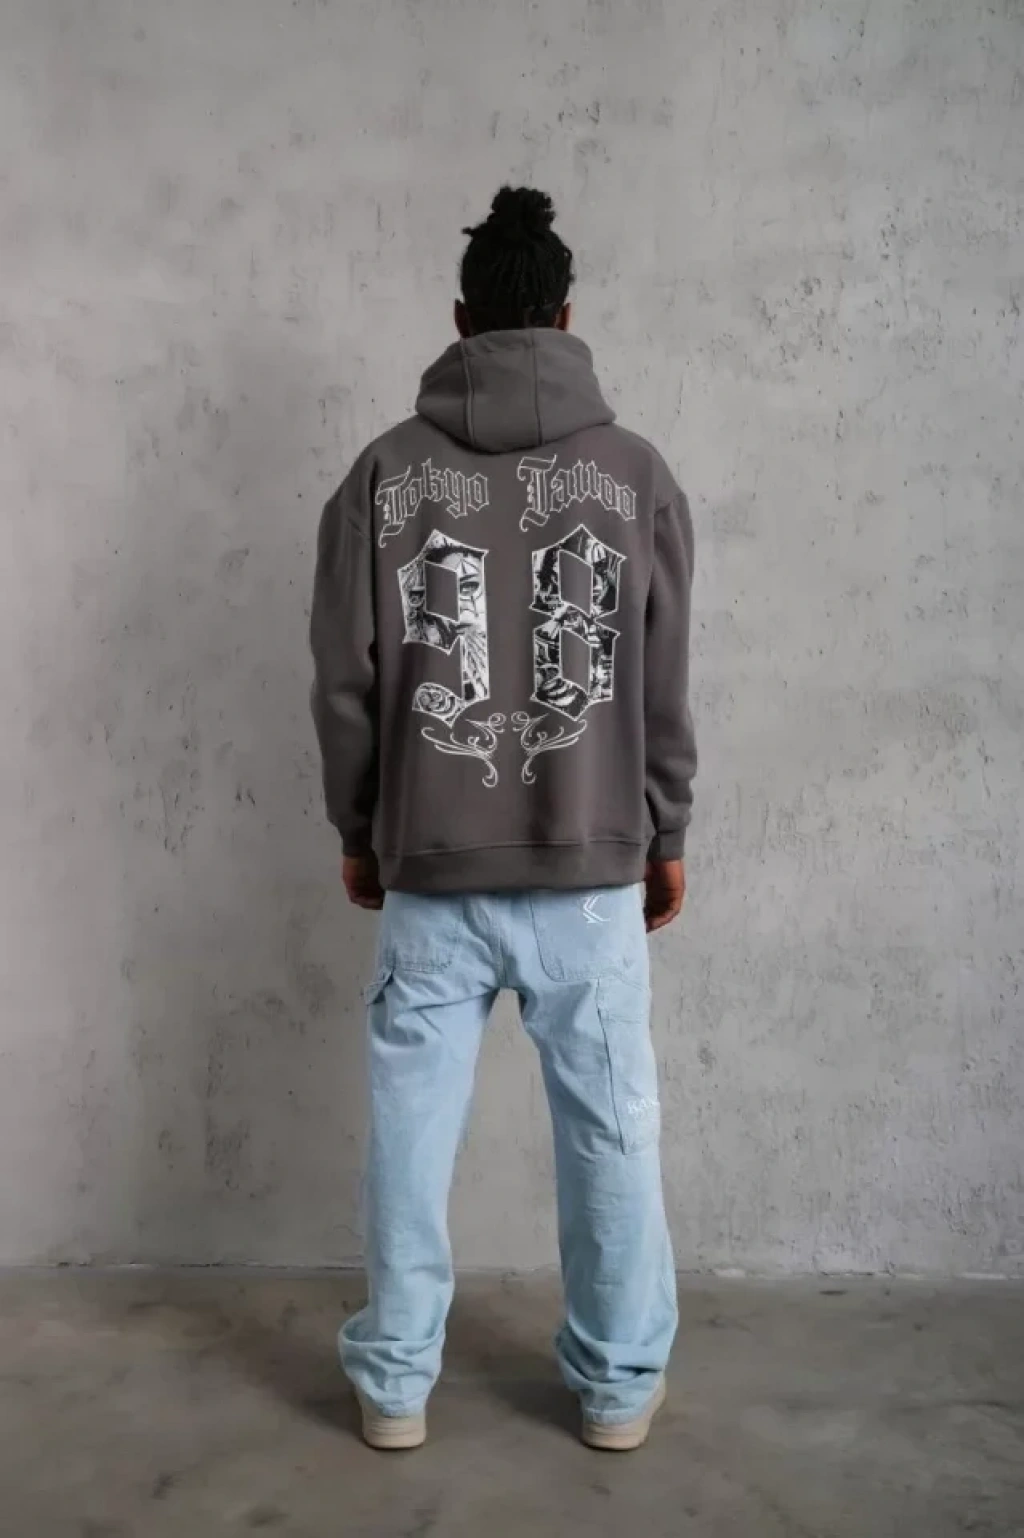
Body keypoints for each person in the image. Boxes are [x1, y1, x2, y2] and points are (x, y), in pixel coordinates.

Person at [310, 186, 696, 1453]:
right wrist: (664, 830)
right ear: (566, 318)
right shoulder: (635, 475)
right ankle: (618, 1388)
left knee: (410, 1131)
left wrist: (361, 829)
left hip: (434, 868)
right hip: (590, 869)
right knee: (611, 1131)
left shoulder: (382, 474)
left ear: (461, 319)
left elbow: (346, 681)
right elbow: (660, 679)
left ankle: (394, 1384)